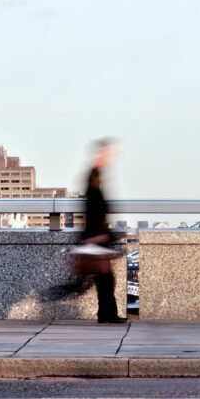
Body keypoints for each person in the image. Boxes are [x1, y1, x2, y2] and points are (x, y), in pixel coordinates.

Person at [83, 138, 125, 324]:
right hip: (96, 234)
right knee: (106, 278)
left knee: (104, 278)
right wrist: (96, 233)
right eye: (108, 153)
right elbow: (92, 207)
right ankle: (108, 314)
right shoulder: (94, 175)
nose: (111, 156)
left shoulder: (96, 174)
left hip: (97, 233)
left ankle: (106, 314)